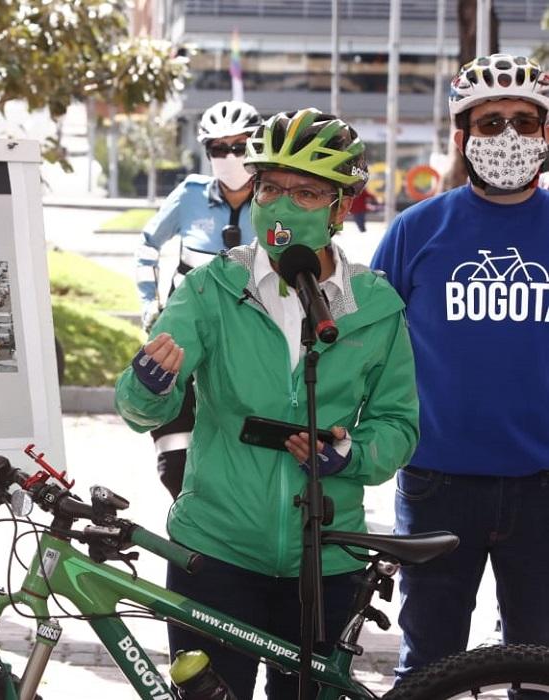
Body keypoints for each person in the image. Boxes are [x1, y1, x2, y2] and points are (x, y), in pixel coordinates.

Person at [116, 108, 419, 699]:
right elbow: (138, 410)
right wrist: (149, 385)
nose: (282, 205)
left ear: (341, 208)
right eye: (272, 187)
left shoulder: (377, 306)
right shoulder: (210, 288)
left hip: (326, 560)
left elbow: (399, 425)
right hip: (215, 555)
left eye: (306, 193)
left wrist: (351, 453)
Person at [371, 53, 549, 682]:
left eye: (524, 122)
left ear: (546, 133)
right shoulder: (416, 231)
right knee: (428, 667)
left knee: (540, 667)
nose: (508, 135)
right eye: (490, 121)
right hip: (437, 483)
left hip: (543, 486)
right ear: (461, 137)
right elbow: (366, 348)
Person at [134, 100, 262, 499]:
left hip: (249, 334)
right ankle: (185, 508)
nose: (229, 157)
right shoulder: (189, 194)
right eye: (218, 149)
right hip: (188, 328)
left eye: (239, 147)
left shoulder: (275, 196)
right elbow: (147, 246)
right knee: (174, 453)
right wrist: (149, 302)